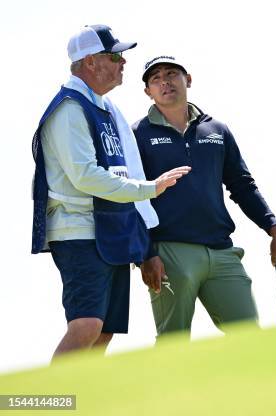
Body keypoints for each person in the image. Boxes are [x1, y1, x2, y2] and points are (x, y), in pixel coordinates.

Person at [31, 26, 191, 358]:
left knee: (104, 332)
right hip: (79, 232)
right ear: (90, 62)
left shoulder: (109, 109)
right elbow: (86, 177)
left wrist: (144, 246)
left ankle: (82, 404)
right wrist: (151, 189)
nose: (123, 63)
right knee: (86, 326)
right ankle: (45, 407)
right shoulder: (69, 108)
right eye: (115, 56)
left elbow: (128, 170)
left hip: (113, 232)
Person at [132, 55, 276, 336]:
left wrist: (273, 228)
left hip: (221, 251)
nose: (164, 82)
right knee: (173, 342)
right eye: (155, 79)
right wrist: (145, 255)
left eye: (171, 73)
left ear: (188, 80)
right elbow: (131, 198)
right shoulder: (137, 134)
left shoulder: (216, 130)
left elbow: (241, 184)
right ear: (148, 91)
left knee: (250, 337)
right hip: (169, 252)